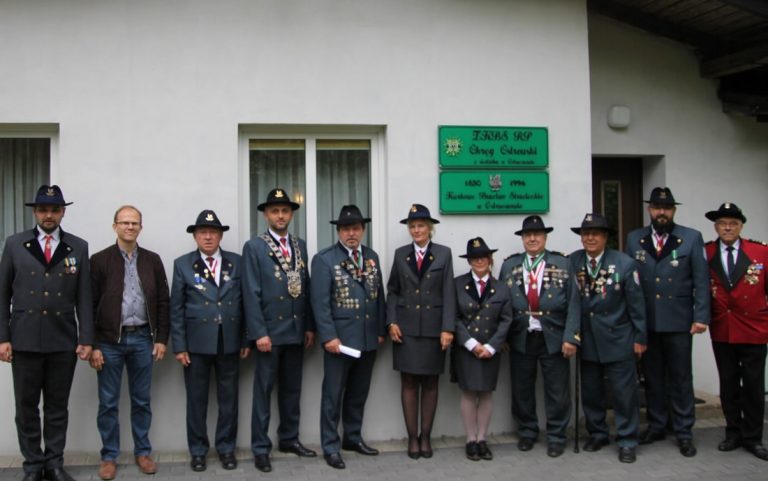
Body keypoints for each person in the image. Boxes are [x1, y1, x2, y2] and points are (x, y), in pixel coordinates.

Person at [0, 184, 94, 481]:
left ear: (63, 212)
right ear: (35, 212)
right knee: (26, 408)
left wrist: (86, 339)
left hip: (62, 340)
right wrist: (3, 337)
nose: (48, 215)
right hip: (24, 339)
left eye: (54, 210)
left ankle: (53, 464)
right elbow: (2, 295)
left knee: (57, 407)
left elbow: (84, 297)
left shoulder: (78, 247)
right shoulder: (15, 244)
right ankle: (32, 466)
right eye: (43, 210)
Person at [625, 187, 710, 457]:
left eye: (667, 208)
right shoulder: (634, 238)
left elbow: (701, 281)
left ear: (673, 210)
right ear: (649, 210)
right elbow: (630, 283)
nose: (661, 212)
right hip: (648, 321)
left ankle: (684, 432)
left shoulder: (691, 237)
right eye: (657, 207)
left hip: (679, 321)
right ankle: (657, 425)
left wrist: (701, 317)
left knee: (681, 378)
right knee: (652, 377)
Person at [89, 205, 170, 480]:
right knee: (108, 403)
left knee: (142, 401)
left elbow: (163, 302)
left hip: (143, 339)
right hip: (109, 341)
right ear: (115, 226)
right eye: (124, 222)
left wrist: (161, 339)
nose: (130, 227)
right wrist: (93, 344)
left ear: (141, 227)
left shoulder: (152, 260)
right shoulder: (99, 260)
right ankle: (109, 456)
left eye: (134, 223)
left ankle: (143, 453)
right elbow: (89, 304)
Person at [242, 189, 316, 473]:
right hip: (269, 334)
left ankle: (289, 439)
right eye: (275, 211)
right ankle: (261, 448)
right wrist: (258, 332)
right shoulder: (254, 247)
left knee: (292, 390)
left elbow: (305, 287)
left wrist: (308, 326)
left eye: (285, 211)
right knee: (263, 392)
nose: (281, 216)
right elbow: (251, 293)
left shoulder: (300, 245)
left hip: (296, 331)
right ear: (266, 215)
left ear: (291, 214)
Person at [170, 210, 249, 472]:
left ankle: (226, 448)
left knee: (229, 400)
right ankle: (198, 451)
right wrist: (179, 346)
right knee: (196, 401)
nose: (208, 237)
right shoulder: (182, 264)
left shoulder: (237, 262)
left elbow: (246, 303)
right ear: (195, 236)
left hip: (229, 342)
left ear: (220, 236)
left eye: (213, 232)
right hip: (196, 345)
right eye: (202, 232)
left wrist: (245, 339)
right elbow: (176, 309)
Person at [310, 205, 386, 470]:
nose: (351, 233)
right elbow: (320, 303)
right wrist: (328, 336)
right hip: (339, 342)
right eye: (345, 229)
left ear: (363, 230)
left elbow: (379, 296)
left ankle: (352, 438)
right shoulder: (324, 259)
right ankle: (330, 446)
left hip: (367, 338)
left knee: (358, 393)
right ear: (338, 232)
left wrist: (379, 330)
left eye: (355, 228)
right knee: (333, 395)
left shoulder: (372, 257)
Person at [498, 215, 580, 457]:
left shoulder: (562, 263)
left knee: (557, 390)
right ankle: (527, 431)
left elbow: (574, 303)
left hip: (553, 335)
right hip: (521, 335)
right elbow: (501, 304)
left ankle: (556, 436)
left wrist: (571, 337)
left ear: (545, 237)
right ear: (522, 239)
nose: (532, 239)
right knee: (521, 388)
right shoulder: (510, 265)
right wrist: (502, 337)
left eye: (537, 235)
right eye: (528, 235)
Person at [569, 213, 647, 463]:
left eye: (595, 234)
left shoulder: (624, 263)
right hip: (587, 338)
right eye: (586, 234)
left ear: (605, 237)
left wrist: (640, 337)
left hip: (618, 338)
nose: (590, 238)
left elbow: (636, 304)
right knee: (591, 391)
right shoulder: (573, 261)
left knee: (624, 394)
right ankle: (598, 433)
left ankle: (627, 439)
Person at [386, 204, 455, 459]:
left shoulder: (444, 254)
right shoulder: (400, 254)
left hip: (434, 330)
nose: (416, 230)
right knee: (408, 382)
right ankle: (412, 438)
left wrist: (447, 328)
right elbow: (393, 291)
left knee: (431, 383)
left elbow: (448, 293)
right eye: (412, 226)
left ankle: (426, 437)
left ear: (430, 228)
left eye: (421, 226)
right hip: (406, 330)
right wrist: (391, 322)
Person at [704, 202, 768, 461]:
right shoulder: (706, 252)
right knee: (728, 384)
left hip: (754, 328)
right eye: (722, 223)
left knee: (753, 386)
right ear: (716, 227)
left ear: (741, 226)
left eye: (733, 224)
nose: (727, 228)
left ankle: (753, 437)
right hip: (723, 328)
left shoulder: (760, 251)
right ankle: (733, 432)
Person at [453, 237, 513, 462]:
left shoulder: (502, 288)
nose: (479, 261)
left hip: (490, 349)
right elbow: (454, 317)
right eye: (474, 258)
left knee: (486, 392)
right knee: (469, 392)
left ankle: (482, 439)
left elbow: (506, 319)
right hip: (467, 348)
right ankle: (470, 440)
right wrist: (471, 344)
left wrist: (491, 346)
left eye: (483, 257)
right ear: (469, 261)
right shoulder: (457, 284)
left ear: (490, 259)